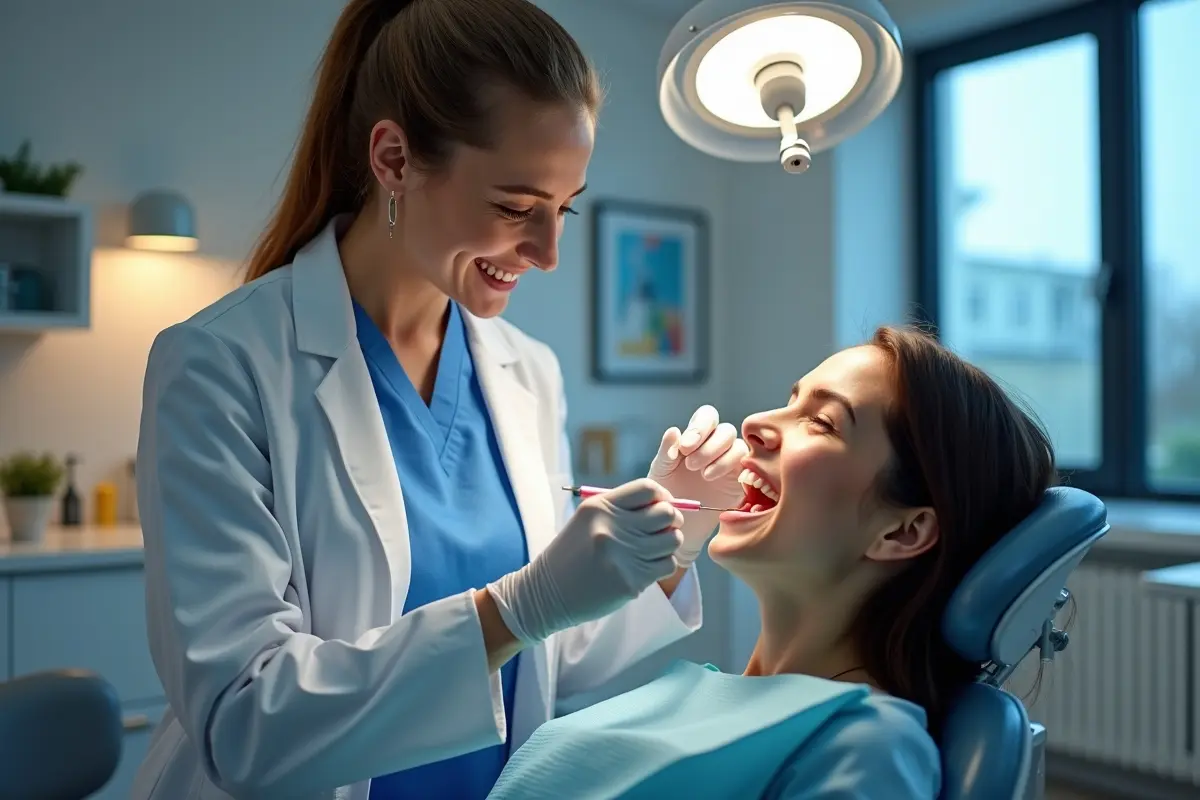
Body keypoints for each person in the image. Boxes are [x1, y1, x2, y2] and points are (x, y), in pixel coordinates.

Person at [130, 1, 748, 798]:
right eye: (515, 207)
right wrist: (520, 605)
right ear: (393, 159)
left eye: (564, 210)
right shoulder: (221, 364)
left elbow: (552, 657)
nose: (548, 253)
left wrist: (673, 540)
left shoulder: (528, 373)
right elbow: (247, 723)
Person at [486, 326, 1059, 800]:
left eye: (823, 422)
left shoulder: (865, 745)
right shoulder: (691, 691)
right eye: (791, 400)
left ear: (903, 530)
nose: (756, 423)